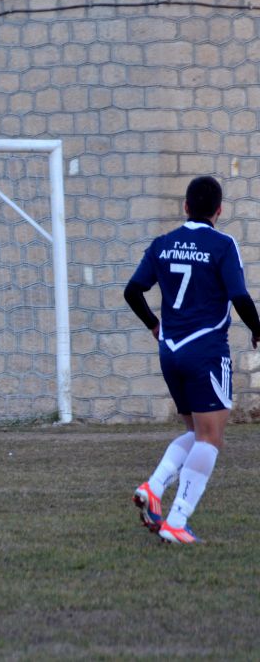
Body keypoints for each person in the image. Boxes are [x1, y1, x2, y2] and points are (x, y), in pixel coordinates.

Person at [124, 176, 260, 544]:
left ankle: (154, 488)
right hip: (206, 351)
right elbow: (239, 296)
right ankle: (177, 520)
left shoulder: (163, 244)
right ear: (219, 210)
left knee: (196, 434)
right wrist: (257, 328)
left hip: (170, 351)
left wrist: (154, 325)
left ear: (185, 207)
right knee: (211, 438)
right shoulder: (222, 244)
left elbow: (132, 290)